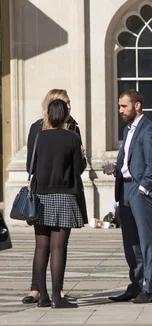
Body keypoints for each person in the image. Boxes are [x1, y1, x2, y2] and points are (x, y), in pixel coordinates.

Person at [22, 89, 84, 306]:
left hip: (41, 194)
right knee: (58, 247)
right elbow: (79, 169)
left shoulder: (39, 135)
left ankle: (43, 296)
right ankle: (58, 296)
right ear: (65, 115)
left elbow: (31, 164)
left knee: (41, 247)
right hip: (64, 195)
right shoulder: (72, 137)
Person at [106, 90, 152, 304]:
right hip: (125, 189)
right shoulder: (127, 130)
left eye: (123, 106)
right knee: (130, 242)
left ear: (137, 106)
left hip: (140, 191)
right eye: (120, 106)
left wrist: (144, 188)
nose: (120, 110)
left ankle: (150, 288)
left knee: (146, 241)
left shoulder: (149, 129)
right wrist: (114, 167)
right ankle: (136, 285)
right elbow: (127, 161)